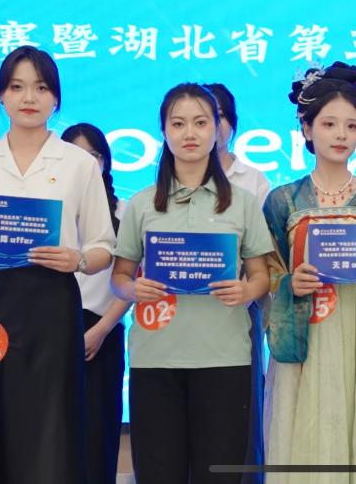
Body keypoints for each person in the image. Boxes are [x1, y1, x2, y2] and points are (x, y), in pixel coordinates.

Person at [0, 45, 116, 484]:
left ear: (55, 98)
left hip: (52, 308)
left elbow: (103, 248)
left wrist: (78, 258)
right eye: (17, 87)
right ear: (1, 96)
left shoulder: (79, 164)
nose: (29, 98)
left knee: (49, 422)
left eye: (40, 88)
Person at [262, 61, 356, 484]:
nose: (340, 135)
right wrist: (290, 284)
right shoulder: (283, 200)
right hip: (309, 335)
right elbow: (269, 272)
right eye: (329, 124)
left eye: (351, 126)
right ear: (307, 128)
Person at [110, 83, 273, 484]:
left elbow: (261, 276)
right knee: (158, 473)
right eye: (178, 123)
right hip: (155, 359)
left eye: (200, 123)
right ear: (164, 132)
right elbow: (119, 277)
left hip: (224, 357)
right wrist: (133, 289)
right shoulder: (142, 203)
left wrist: (246, 291)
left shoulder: (242, 201)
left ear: (217, 129)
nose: (189, 133)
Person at [204, 82, 272, 484]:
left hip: (239, 311)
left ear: (231, 124)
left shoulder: (253, 181)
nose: (209, 127)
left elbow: (261, 253)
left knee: (241, 416)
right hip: (183, 315)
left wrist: (245, 290)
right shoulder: (166, 182)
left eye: (217, 117)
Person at [61, 122, 131, 484]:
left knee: (98, 433)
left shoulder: (124, 211)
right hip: (52, 329)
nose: (85, 164)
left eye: (93, 156)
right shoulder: (48, 210)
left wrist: (101, 330)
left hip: (102, 332)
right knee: (54, 432)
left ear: (105, 162)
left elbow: (131, 280)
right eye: (75, 155)